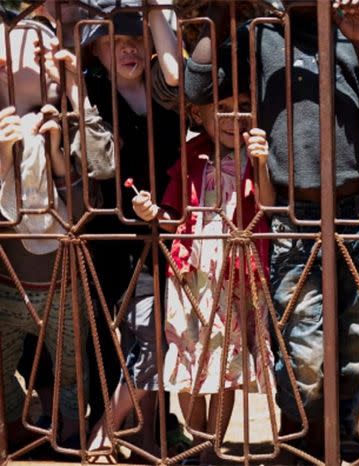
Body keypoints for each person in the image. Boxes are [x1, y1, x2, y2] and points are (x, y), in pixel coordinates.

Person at [201, 0, 359, 458]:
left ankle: (335, 438)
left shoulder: (352, 30)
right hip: (292, 213)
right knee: (303, 348)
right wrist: (222, 12)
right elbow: (196, 85)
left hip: (356, 212)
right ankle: (295, 443)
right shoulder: (259, 34)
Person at [131, 36, 275, 463]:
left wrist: (263, 163)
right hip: (191, 277)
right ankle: (196, 446)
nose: (235, 116)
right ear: (199, 113)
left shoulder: (254, 154)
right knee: (190, 367)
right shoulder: (191, 155)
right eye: (223, 107)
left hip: (237, 276)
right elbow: (176, 216)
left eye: (243, 104)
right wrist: (150, 211)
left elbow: (266, 205)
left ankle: (211, 452)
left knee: (225, 371)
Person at [0, 16, 114, 449]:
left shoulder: (69, 116)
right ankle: (16, 434)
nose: (45, 54)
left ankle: (69, 439)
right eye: (31, 48)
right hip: (8, 281)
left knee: (72, 374)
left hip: (64, 285)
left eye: (50, 48)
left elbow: (98, 187)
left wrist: (63, 162)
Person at [82, 0, 181, 456]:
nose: (126, 50)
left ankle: (144, 431)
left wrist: (156, 11)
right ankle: (112, 425)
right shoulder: (90, 91)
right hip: (108, 233)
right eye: (114, 43)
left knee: (159, 335)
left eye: (134, 41)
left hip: (169, 230)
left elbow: (177, 73)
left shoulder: (166, 93)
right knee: (110, 333)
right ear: (98, 54)